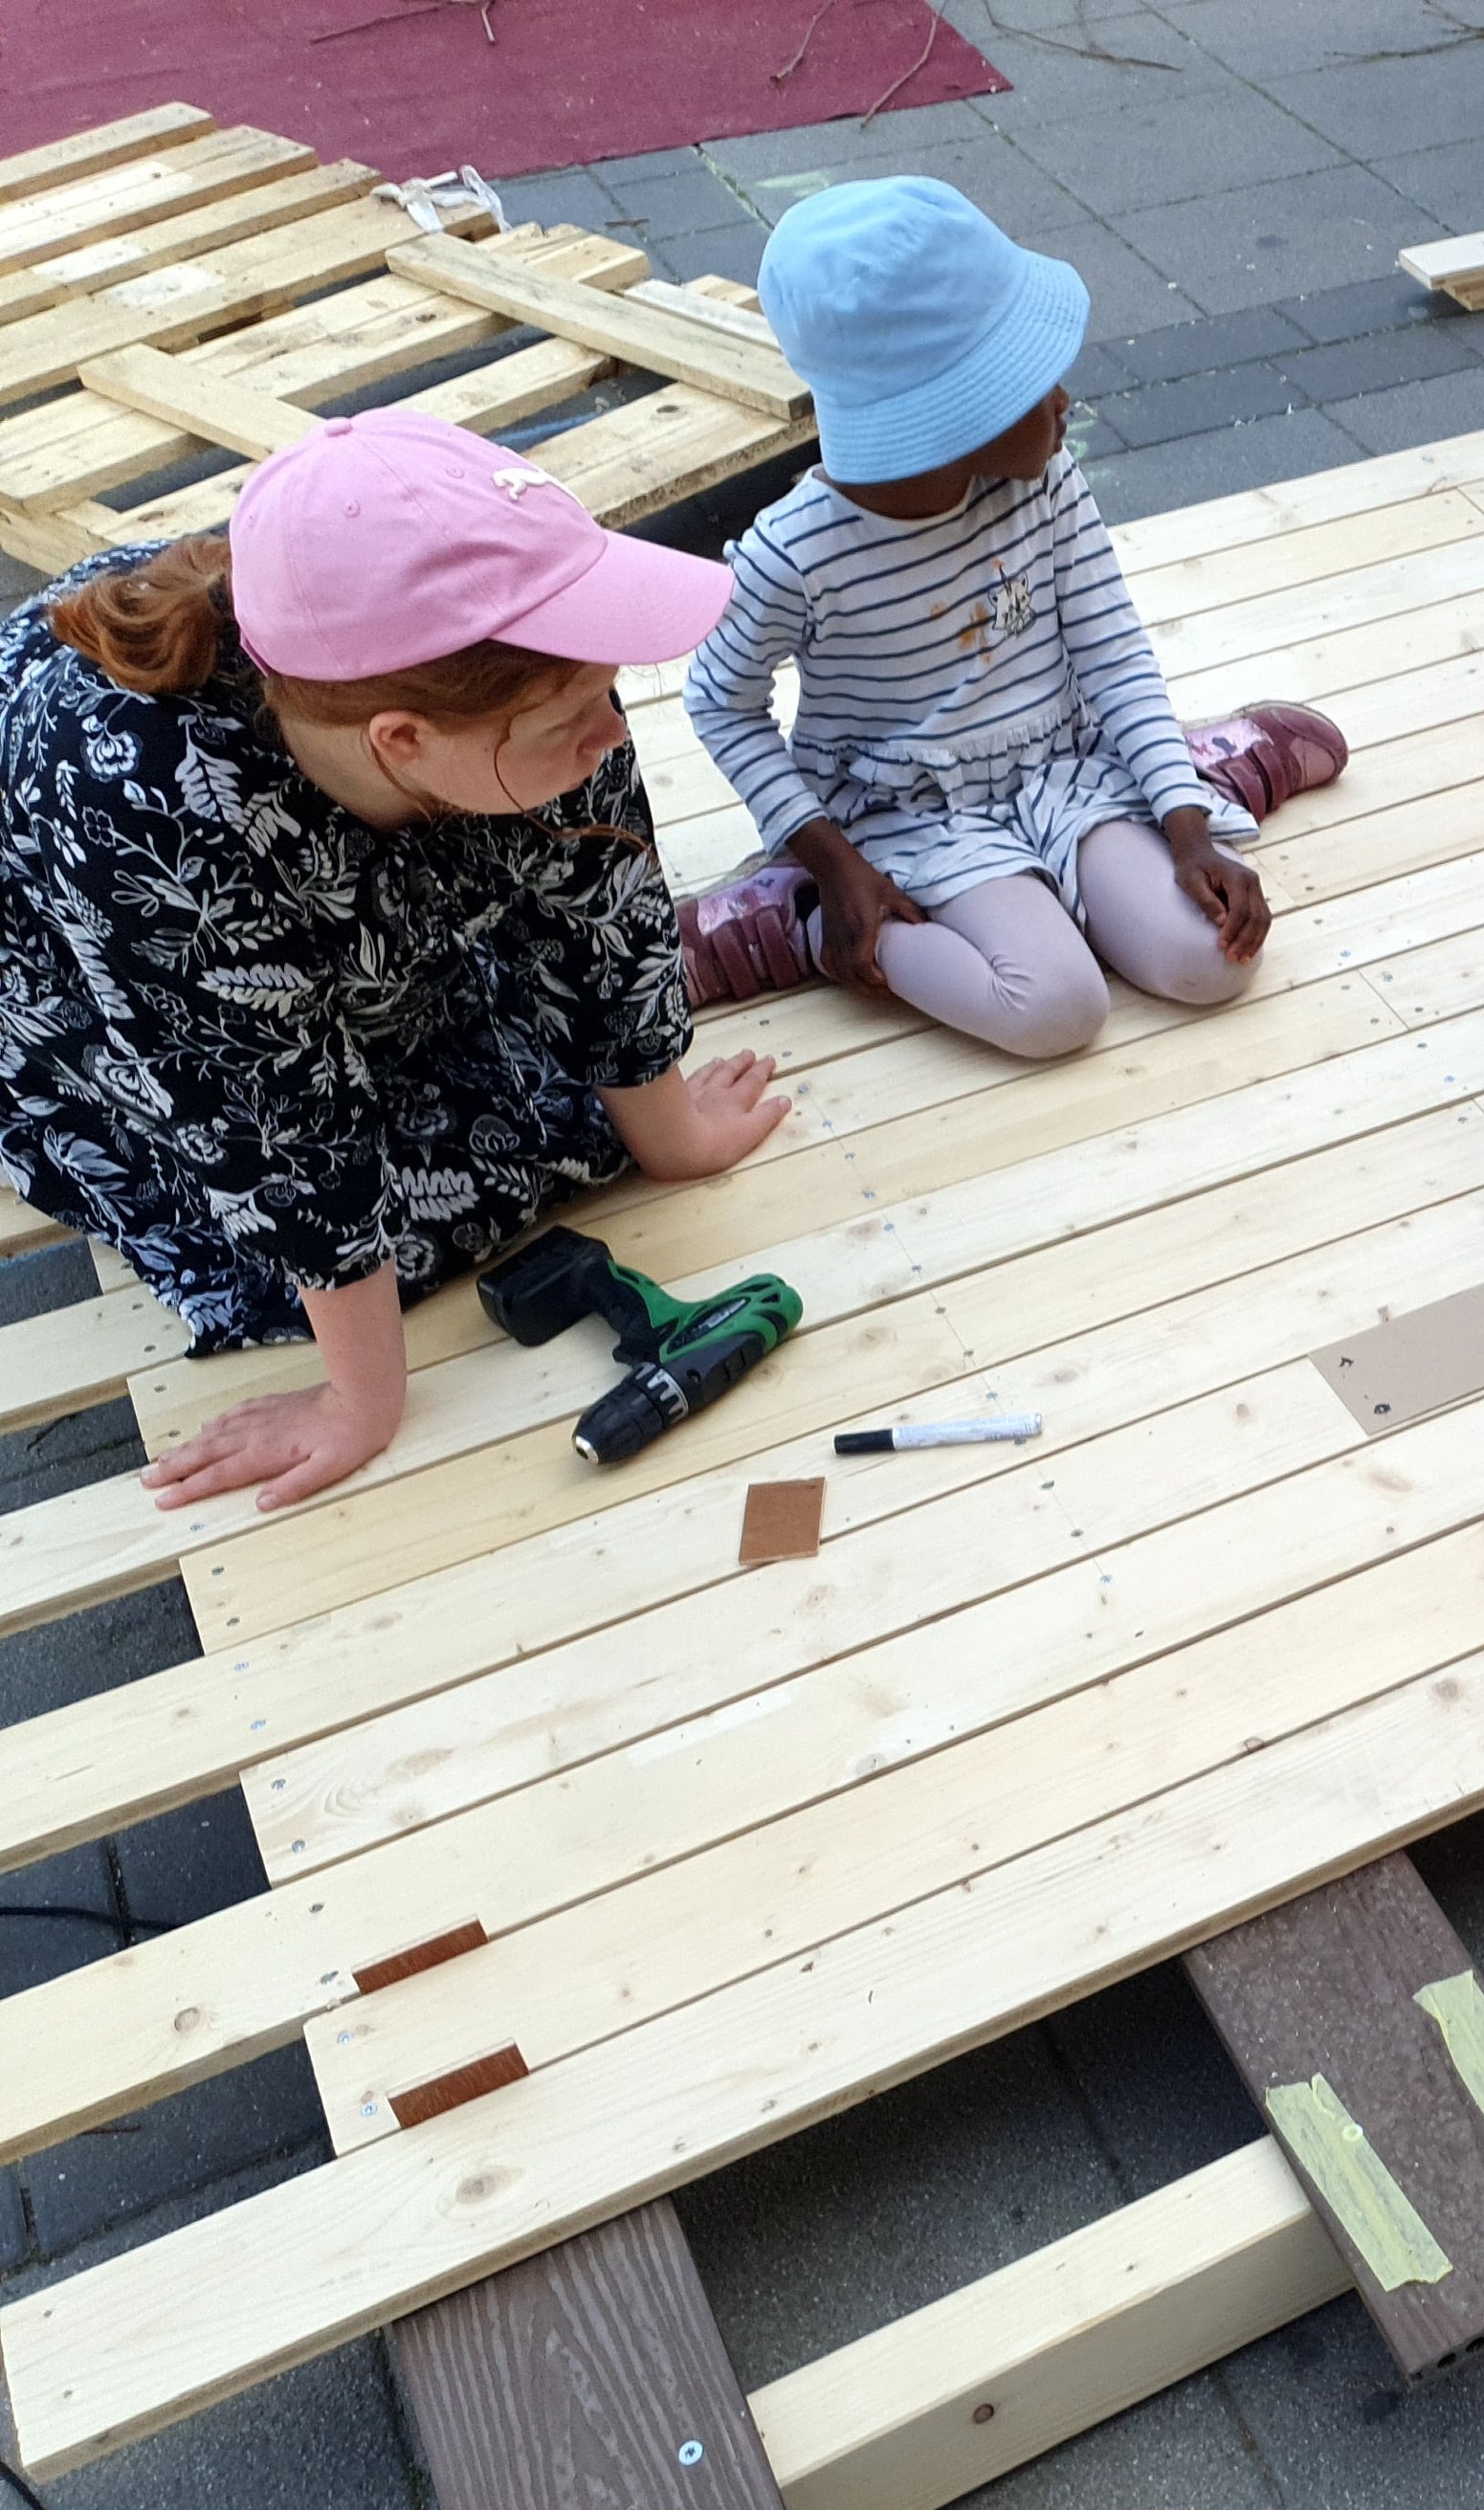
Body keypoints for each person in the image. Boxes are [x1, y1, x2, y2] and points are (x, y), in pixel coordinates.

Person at [0, 411, 788, 1515]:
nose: (610, 730)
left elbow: (605, 887)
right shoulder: (149, 808)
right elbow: (269, 1122)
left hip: (341, 839)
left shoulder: (515, 684)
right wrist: (359, 1401)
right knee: (332, 1248)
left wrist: (672, 1134)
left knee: (556, 1123)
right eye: (572, 712)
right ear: (403, 740)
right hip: (96, 965)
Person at [683, 177, 1345, 1058]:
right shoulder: (793, 555)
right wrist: (837, 868)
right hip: (911, 815)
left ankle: (1186, 781)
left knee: (1209, 963)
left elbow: (1112, 651)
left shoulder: (1045, 482)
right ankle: (793, 917)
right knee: (1056, 1009)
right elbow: (719, 703)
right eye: (1032, 379)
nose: (1065, 401)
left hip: (1062, 770)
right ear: (946, 418)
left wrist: (1187, 834)